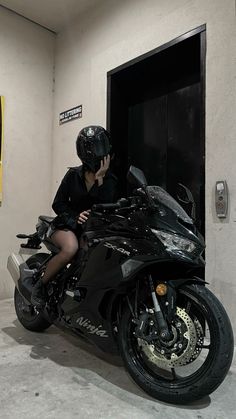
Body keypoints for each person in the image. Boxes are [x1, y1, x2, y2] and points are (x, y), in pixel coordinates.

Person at [31, 125, 117, 307]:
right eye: (93, 148)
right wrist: (75, 216)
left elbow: (106, 206)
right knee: (70, 249)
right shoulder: (73, 175)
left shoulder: (110, 180)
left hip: (92, 230)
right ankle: (39, 286)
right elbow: (58, 203)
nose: (97, 152)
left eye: (100, 147)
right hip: (67, 225)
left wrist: (101, 178)